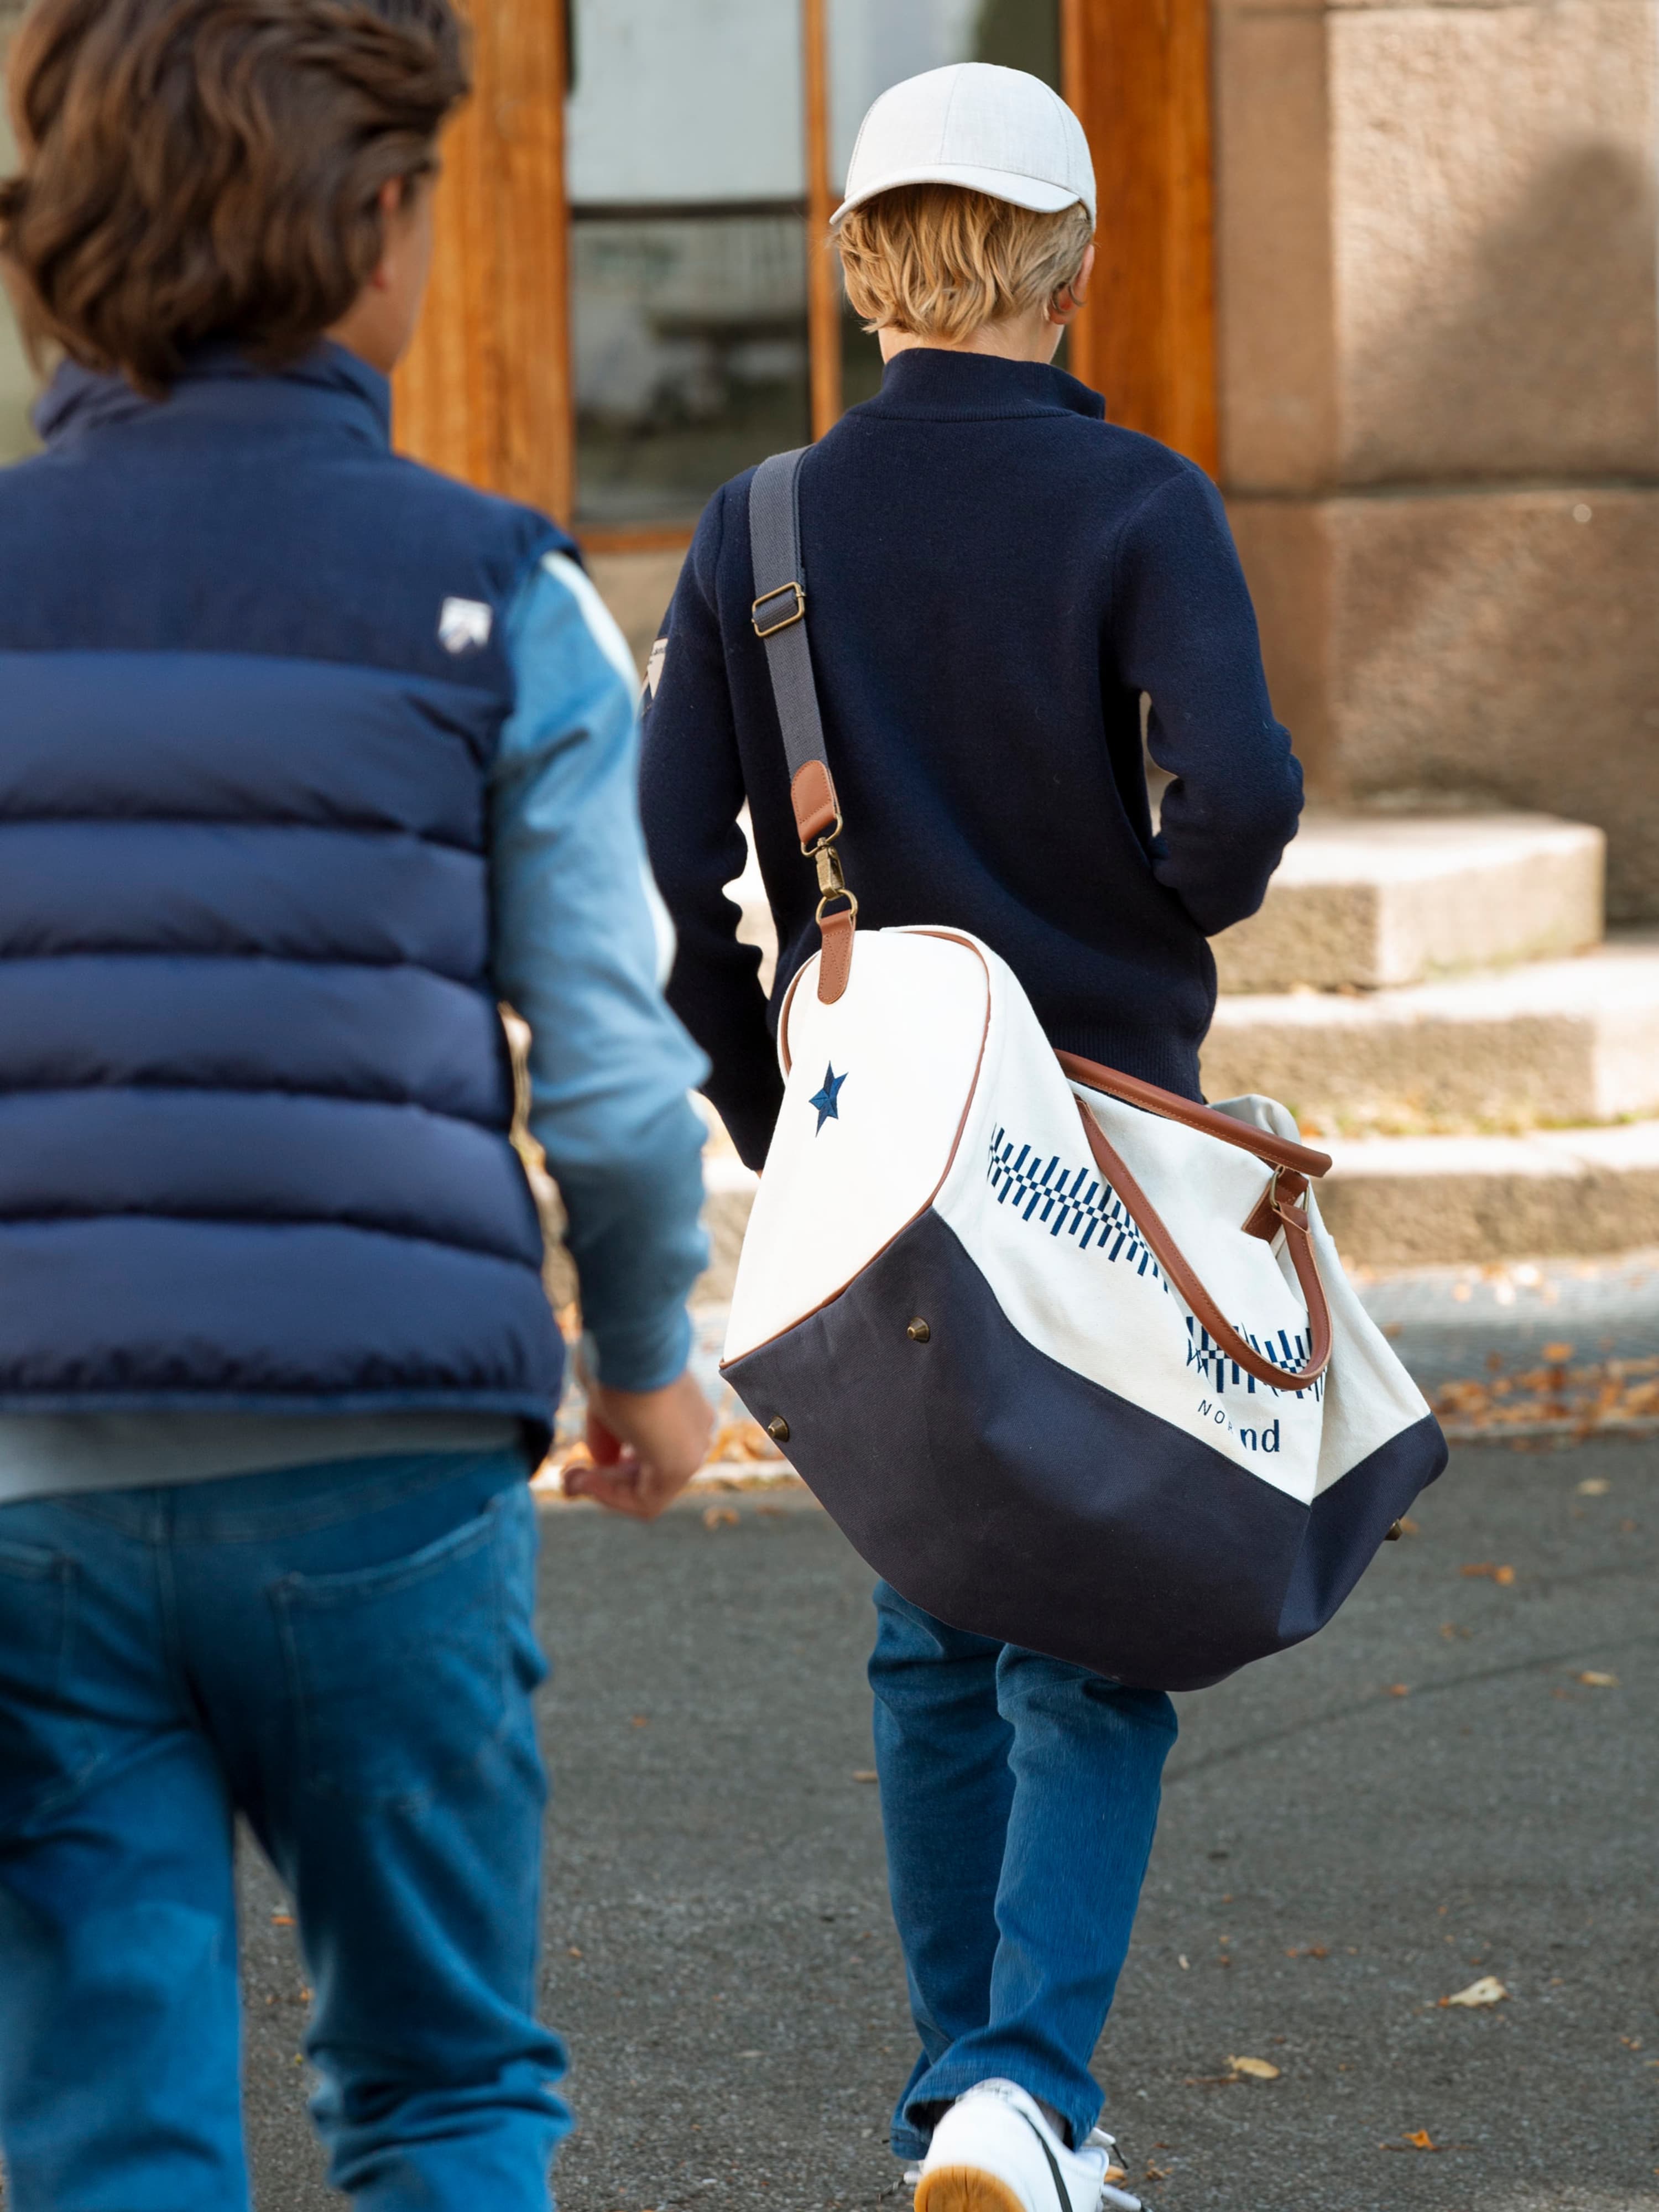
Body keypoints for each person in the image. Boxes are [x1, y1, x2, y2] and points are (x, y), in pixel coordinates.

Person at [0, 1, 712, 2206]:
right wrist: (649, 1353)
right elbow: (606, 1064)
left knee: (107, 2114)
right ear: (379, 228)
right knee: (440, 2085)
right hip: (390, 1447)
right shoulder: (506, 600)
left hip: (31, 1465)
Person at [640, 61, 1305, 2212]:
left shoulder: (762, 529)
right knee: (1095, 1609)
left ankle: (969, 2102)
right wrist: (1139, 919)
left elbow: (666, 885)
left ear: (854, 269)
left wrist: (772, 1110)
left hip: (873, 1149)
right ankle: (1026, 2087)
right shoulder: (1143, 505)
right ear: (1077, 264)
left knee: (936, 1614)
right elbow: (1241, 808)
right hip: (1103, 1129)